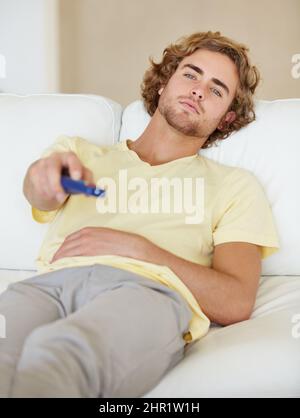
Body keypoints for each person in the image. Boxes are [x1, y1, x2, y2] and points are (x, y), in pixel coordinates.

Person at [0, 31, 280, 398]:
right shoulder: (78, 153)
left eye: (216, 89)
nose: (198, 90)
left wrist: (139, 249)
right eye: (191, 74)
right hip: (49, 286)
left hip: (148, 295)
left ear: (226, 118)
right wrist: (44, 177)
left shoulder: (235, 187)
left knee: (59, 354)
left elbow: (236, 301)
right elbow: (38, 189)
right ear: (164, 84)